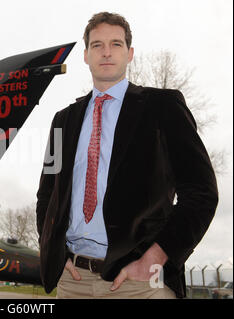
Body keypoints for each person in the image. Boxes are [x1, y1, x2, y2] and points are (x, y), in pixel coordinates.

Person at [36, 12, 218, 299]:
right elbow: (47, 197)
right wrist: (56, 255)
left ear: (130, 53)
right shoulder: (62, 121)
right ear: (85, 55)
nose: (106, 52)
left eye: (116, 44)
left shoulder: (164, 107)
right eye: (97, 45)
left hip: (140, 282)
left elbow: (202, 193)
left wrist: (155, 258)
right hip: (73, 281)